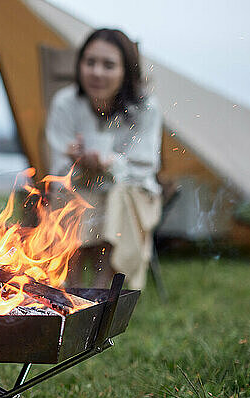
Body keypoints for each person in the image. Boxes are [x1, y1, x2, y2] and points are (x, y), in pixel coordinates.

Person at [45, 28, 163, 290]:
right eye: (90, 62)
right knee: (68, 194)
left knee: (119, 196)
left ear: (125, 71)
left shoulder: (145, 108)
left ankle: (101, 292)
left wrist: (110, 164)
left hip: (131, 195)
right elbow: (58, 170)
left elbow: (143, 168)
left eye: (108, 65)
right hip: (83, 188)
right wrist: (79, 163)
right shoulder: (65, 103)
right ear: (80, 65)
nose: (97, 72)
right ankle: (70, 289)